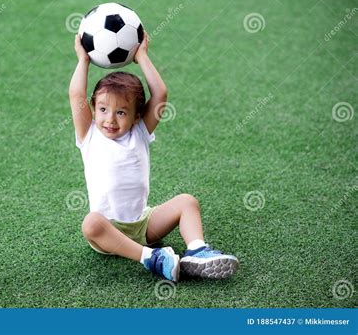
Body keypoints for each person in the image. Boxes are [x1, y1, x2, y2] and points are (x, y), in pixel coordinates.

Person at [68, 32, 238, 282]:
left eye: (121, 112)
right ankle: (151, 258)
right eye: (103, 109)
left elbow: (160, 94)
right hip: (108, 230)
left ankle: (197, 250)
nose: (110, 119)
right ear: (94, 109)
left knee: (187, 201)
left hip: (144, 224)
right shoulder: (90, 135)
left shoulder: (140, 131)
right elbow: (76, 96)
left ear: (137, 115)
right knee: (90, 224)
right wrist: (83, 60)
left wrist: (142, 56)